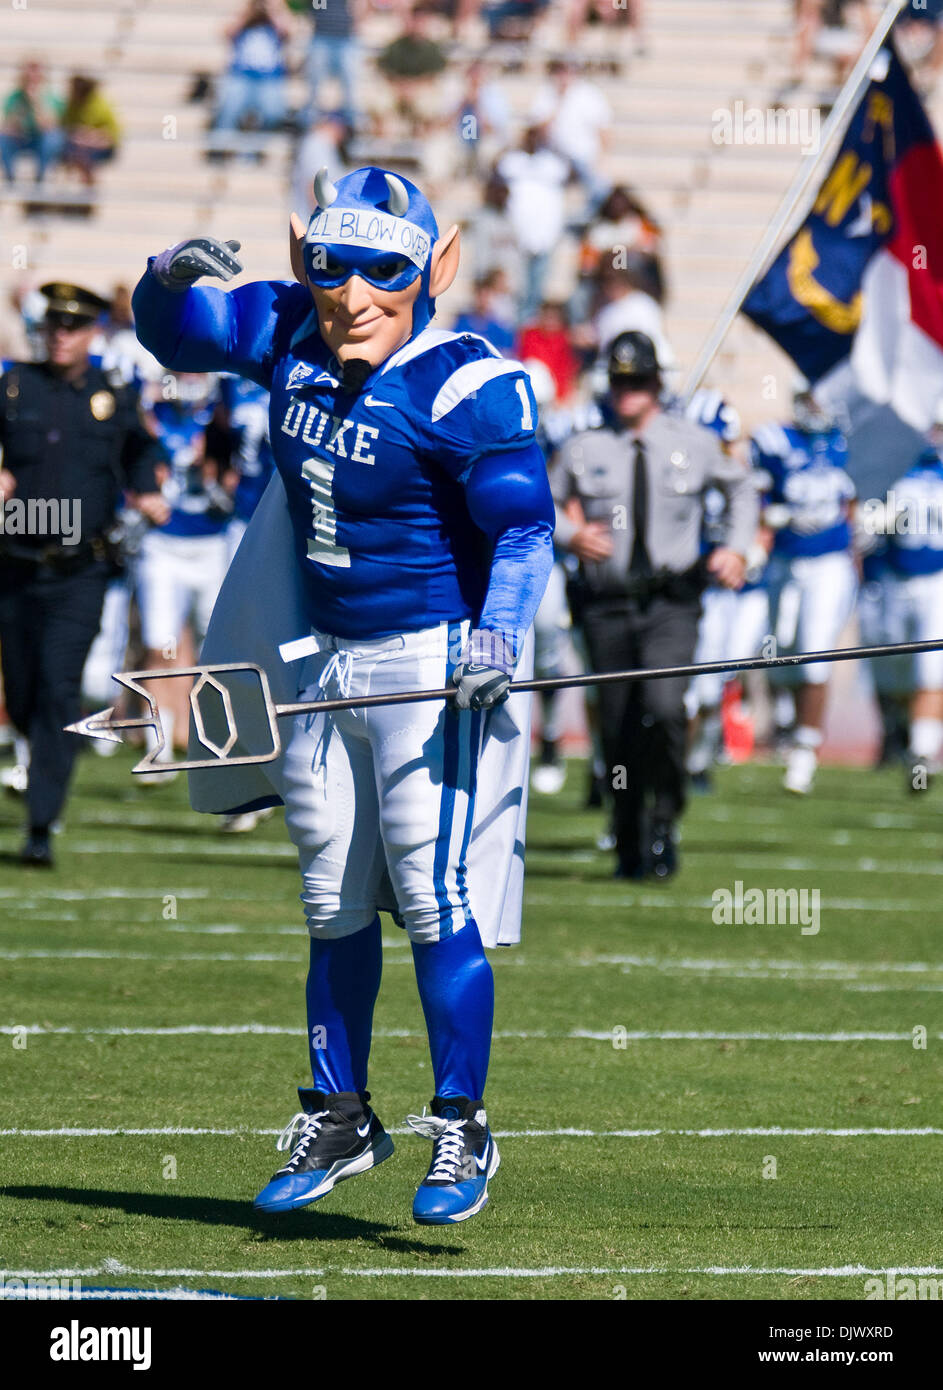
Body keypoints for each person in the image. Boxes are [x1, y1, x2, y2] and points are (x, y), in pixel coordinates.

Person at [131, 165, 554, 1224]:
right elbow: (179, 338)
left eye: (385, 270)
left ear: (435, 268)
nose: (353, 295)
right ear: (297, 256)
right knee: (329, 899)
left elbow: (521, 521)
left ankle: (460, 1122)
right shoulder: (289, 330)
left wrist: (499, 629)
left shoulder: (465, 381)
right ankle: (340, 1111)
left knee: (430, 896)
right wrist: (161, 279)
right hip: (317, 654)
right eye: (331, 266)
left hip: (425, 661)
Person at [549, 332, 757, 879]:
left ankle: (665, 816)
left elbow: (742, 489)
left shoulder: (692, 441)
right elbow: (537, 502)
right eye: (619, 382)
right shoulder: (583, 448)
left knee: (665, 709)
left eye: (637, 381)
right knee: (616, 724)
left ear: (657, 384)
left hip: (672, 603)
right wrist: (571, 534)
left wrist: (735, 549)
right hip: (606, 605)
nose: (628, 392)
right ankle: (628, 833)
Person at [0, 283, 167, 866]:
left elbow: (144, 450)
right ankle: (32, 752)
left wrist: (147, 489)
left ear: (93, 333)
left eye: (73, 327)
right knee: (21, 691)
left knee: (60, 687)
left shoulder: (112, 393)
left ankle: (41, 824)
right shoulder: (13, 385)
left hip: (81, 569)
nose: (61, 336)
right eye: (53, 326)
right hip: (15, 564)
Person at [750, 390, 857, 796]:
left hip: (829, 563)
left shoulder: (847, 444)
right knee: (779, 652)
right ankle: (785, 723)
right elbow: (757, 498)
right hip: (783, 564)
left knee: (815, 655)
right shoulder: (775, 441)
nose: (813, 406)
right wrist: (769, 520)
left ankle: (805, 749)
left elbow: (856, 502)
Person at [0, 59, 64, 186]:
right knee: (2, 138)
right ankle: (10, 179)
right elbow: (8, 126)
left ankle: (40, 178)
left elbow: (49, 126)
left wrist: (36, 102)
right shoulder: (14, 97)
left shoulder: (51, 97)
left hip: (40, 141)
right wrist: (21, 110)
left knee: (53, 139)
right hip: (20, 140)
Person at [61, 75, 121, 187]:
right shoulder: (71, 106)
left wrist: (92, 136)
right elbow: (66, 128)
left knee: (85, 153)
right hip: (78, 145)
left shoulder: (101, 105)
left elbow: (113, 134)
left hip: (98, 145)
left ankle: (86, 181)